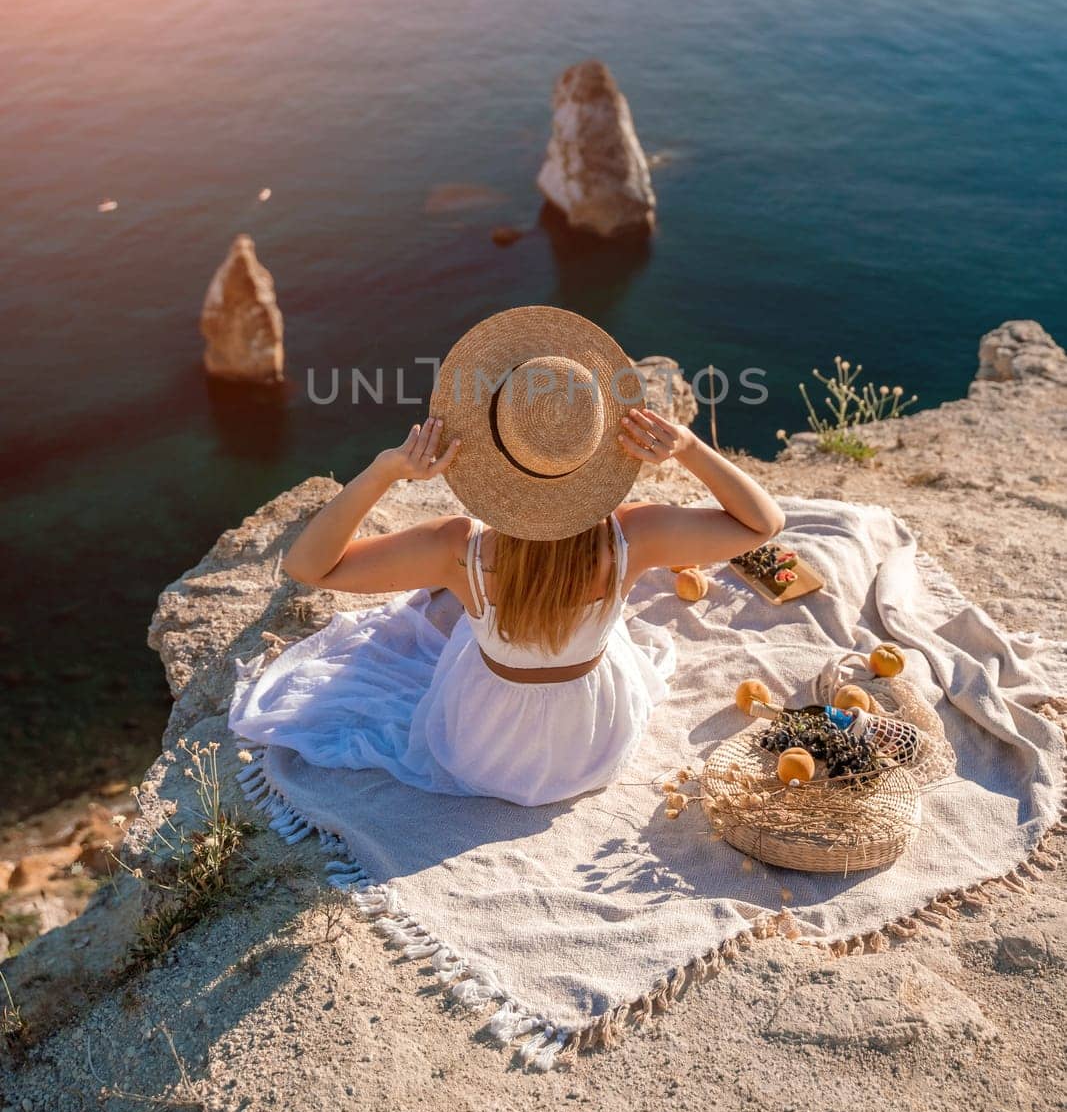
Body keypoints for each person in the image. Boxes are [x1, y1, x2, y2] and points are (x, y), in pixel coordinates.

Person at [229, 306, 784, 806]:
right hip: (591, 741)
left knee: (450, 615)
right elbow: (764, 523)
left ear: (491, 456)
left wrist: (386, 470)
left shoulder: (457, 550)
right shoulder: (634, 537)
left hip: (483, 747)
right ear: (593, 450)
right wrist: (688, 446)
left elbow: (308, 566)